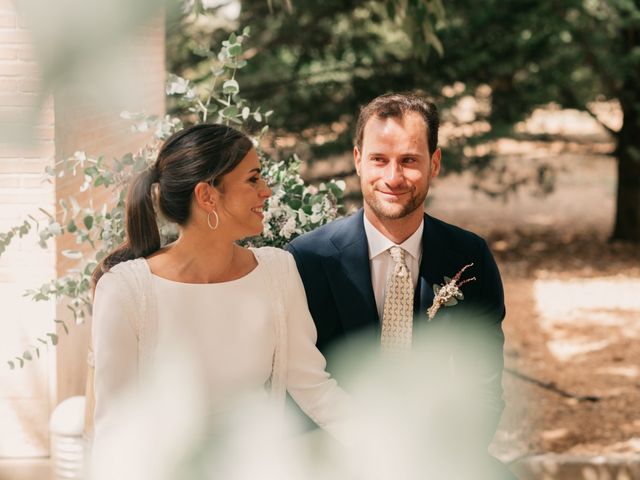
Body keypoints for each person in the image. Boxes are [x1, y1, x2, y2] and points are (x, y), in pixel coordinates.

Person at [287, 93, 515, 478]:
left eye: (409, 160)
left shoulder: (469, 256)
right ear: (358, 160)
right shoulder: (307, 260)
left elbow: (483, 388)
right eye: (379, 159)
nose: (393, 178)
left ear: (435, 164)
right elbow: (299, 392)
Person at [90, 124, 350, 456]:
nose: (266, 190)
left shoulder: (277, 271)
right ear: (207, 195)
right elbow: (115, 430)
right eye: (253, 179)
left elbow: (313, 386)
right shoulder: (124, 291)